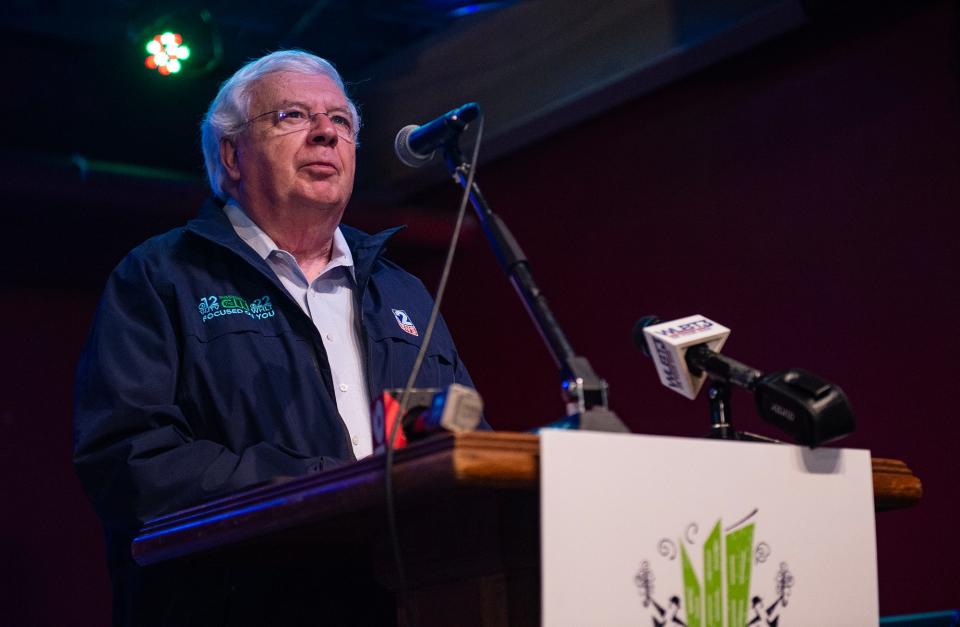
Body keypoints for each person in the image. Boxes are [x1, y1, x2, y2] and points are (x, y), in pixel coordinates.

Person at [73, 50, 480, 625]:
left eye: (341, 121)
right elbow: (130, 463)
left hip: (414, 603)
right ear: (232, 154)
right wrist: (328, 487)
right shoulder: (159, 277)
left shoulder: (403, 292)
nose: (325, 135)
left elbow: (465, 437)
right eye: (292, 116)